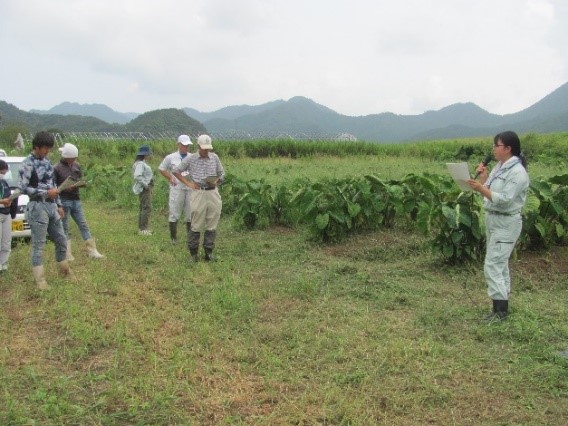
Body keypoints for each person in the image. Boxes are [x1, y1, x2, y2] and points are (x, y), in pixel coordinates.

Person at [467, 131, 529, 322]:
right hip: (494, 219)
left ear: (508, 149)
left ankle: (500, 311)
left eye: (497, 146)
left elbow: (504, 199)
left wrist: (480, 188)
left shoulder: (517, 173)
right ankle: (501, 304)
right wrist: (484, 180)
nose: (493, 149)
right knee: (499, 264)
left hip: (506, 221)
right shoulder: (499, 167)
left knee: (493, 264)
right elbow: (491, 192)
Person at [19, 131, 72, 289]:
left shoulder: (48, 163)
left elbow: (53, 185)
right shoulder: (27, 163)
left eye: (49, 148)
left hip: (51, 205)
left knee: (61, 239)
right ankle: (40, 281)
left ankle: (65, 271)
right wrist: (44, 193)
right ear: (37, 147)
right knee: (39, 244)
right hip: (37, 206)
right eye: (45, 148)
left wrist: (58, 204)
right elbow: (23, 188)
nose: (47, 151)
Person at [172, 134, 224, 262]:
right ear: (198, 147)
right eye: (204, 148)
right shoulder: (191, 159)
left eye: (208, 149)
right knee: (196, 223)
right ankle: (193, 253)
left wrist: (217, 181)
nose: (207, 151)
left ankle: (208, 252)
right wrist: (188, 183)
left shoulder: (215, 158)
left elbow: (222, 173)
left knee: (212, 222)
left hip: (213, 192)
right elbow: (176, 171)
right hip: (198, 192)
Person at [53, 143, 104, 260]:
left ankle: (92, 251)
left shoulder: (77, 166)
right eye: (72, 158)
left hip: (76, 199)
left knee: (83, 224)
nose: (74, 160)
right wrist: (65, 188)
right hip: (64, 200)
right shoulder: (56, 168)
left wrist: (81, 184)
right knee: (65, 227)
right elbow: (54, 187)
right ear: (66, 157)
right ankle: (67, 253)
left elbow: (80, 179)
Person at [158, 134, 193, 244]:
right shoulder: (171, 157)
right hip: (177, 188)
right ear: (179, 145)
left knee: (190, 213)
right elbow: (162, 168)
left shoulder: (192, 157)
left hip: (189, 187)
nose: (186, 147)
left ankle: (190, 237)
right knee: (174, 212)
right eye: (184, 145)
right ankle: (173, 238)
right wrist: (170, 178)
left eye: (187, 145)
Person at [132, 145, 154, 235]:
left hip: (144, 187)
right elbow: (137, 176)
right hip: (144, 188)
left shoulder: (140, 163)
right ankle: (143, 229)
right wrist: (145, 185)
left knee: (143, 207)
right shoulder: (140, 164)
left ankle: (142, 228)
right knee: (146, 207)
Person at [0, 159, 17, 272]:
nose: (3, 174)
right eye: (2, 172)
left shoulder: (4, 183)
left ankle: (4, 265)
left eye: (5, 172)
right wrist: (2, 201)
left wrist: (10, 201)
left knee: (6, 242)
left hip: (6, 214)